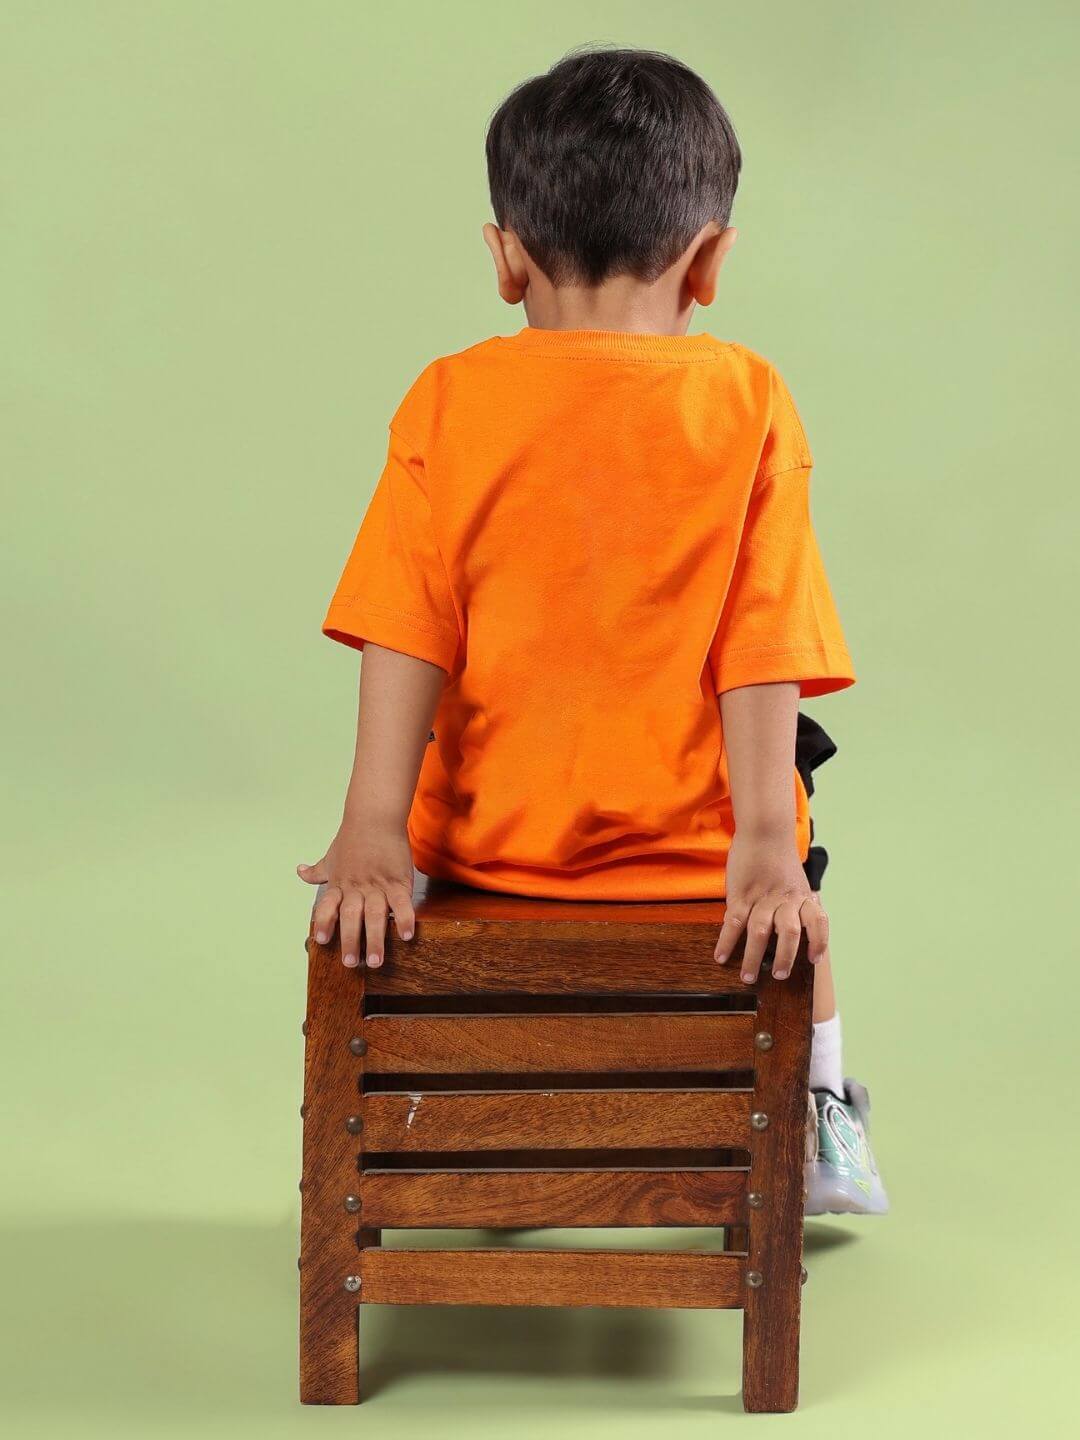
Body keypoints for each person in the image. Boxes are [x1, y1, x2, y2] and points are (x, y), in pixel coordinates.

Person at [299, 48, 888, 1216]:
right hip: (688, 861)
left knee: (411, 829)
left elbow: (404, 630)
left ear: (506, 255)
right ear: (711, 259)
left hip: (477, 848)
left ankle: (431, 1117)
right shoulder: (751, 400)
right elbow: (762, 643)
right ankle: (821, 1118)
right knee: (801, 884)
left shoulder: (448, 400)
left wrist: (371, 830)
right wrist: (764, 849)